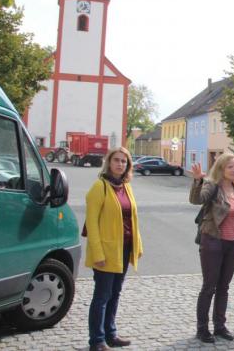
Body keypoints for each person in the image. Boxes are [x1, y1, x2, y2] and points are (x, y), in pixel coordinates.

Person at [189, 153, 234, 344]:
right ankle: (202, 329)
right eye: (230, 167)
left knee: (224, 287)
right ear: (221, 169)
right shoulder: (212, 186)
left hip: (231, 244)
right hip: (213, 241)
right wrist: (198, 180)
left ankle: (220, 326)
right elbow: (197, 199)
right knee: (209, 287)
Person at [85, 147, 143, 351]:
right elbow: (91, 223)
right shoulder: (99, 187)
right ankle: (97, 340)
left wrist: (138, 245)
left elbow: (132, 218)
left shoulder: (126, 187)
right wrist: (98, 253)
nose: (120, 164)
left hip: (124, 248)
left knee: (115, 293)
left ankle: (111, 334)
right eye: (116, 160)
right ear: (109, 162)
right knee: (102, 295)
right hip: (106, 251)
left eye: (124, 161)